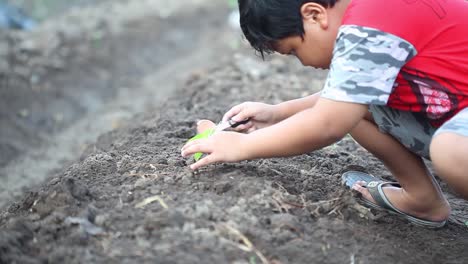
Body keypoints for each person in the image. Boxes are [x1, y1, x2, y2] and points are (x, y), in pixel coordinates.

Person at [181, 0, 468, 228]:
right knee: (359, 108)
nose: (303, 62)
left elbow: (329, 122)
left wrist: (242, 146)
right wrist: (276, 113)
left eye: (294, 51)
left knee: (451, 150)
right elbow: (344, 100)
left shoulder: (369, 24)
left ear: (315, 15)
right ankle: (422, 200)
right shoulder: (373, 15)